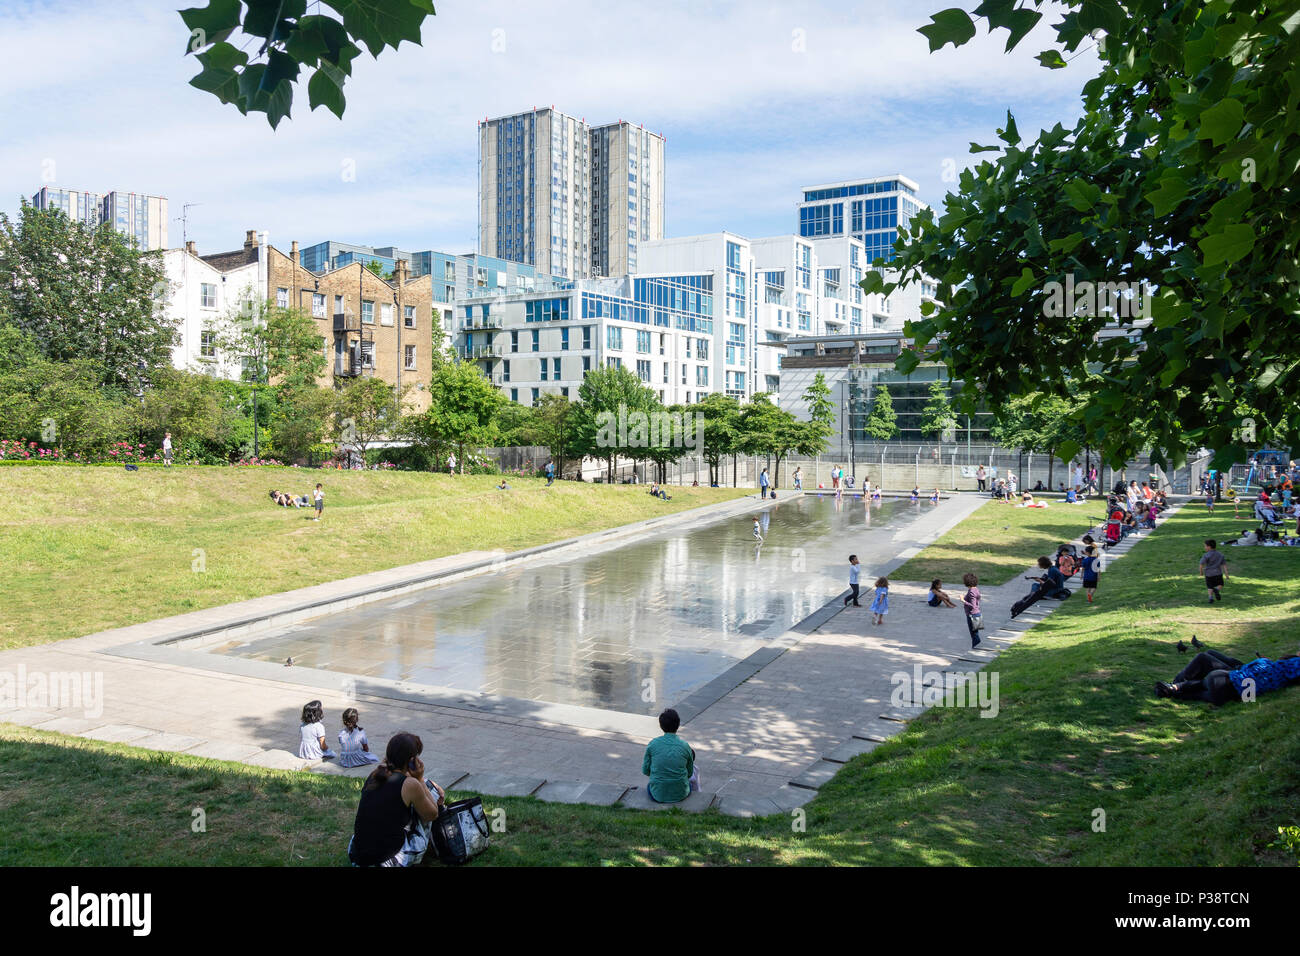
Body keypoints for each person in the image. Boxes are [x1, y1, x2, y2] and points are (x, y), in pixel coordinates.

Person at [348, 732, 446, 867]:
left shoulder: (375, 774)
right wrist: (420, 779)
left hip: (358, 856)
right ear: (412, 760)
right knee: (430, 797)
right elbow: (432, 814)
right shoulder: (411, 784)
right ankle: (436, 845)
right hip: (387, 861)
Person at [1155, 650, 1300, 704]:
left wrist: (1263, 661)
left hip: (1231, 680)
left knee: (1203, 661)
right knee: (1198, 691)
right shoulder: (1281, 673)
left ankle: (1175, 685)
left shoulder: (1289, 664)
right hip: (1233, 695)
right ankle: (1173, 689)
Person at [641, 708, 698, 803]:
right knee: (690, 785)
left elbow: (645, 771)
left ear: (661, 726)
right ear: (678, 725)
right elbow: (690, 773)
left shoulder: (653, 744)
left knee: (649, 786)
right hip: (681, 793)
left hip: (658, 794)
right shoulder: (685, 746)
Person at [962, 573, 982, 648]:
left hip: (972, 615)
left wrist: (963, 600)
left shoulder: (971, 591)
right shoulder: (976, 589)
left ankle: (976, 649)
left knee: (974, 635)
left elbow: (973, 606)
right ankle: (977, 647)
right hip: (977, 614)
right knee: (976, 634)